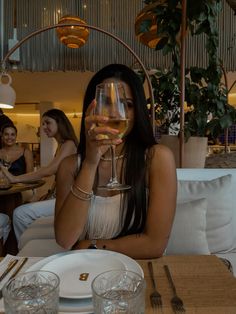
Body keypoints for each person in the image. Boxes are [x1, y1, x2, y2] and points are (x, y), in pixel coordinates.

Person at [53, 64, 177, 259]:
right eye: (106, 102)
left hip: (137, 269)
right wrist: (90, 163)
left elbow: (154, 245)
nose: (114, 114)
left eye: (126, 104)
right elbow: (65, 239)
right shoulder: (69, 166)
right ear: (90, 109)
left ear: (137, 111)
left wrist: (92, 246)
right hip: (84, 270)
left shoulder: (157, 158)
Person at [1, 108, 78, 243]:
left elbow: (49, 170)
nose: (43, 128)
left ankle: (25, 250)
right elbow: (59, 175)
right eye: (43, 124)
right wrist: (49, 193)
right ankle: (30, 244)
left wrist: (15, 178)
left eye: (47, 123)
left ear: (59, 123)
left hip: (69, 199)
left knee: (19, 214)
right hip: (60, 195)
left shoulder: (69, 144)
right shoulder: (61, 145)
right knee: (22, 211)